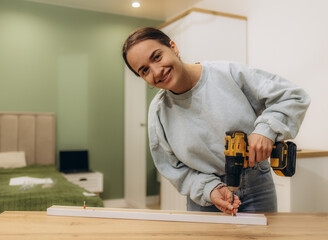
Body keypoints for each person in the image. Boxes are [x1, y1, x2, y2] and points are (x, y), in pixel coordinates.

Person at [122, 27, 310, 214]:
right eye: (145, 70)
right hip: (207, 198)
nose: (157, 71)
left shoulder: (228, 73)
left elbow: (292, 97)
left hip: (257, 184)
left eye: (157, 57)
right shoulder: (158, 112)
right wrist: (209, 189)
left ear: (173, 47)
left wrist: (265, 131)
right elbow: (171, 167)